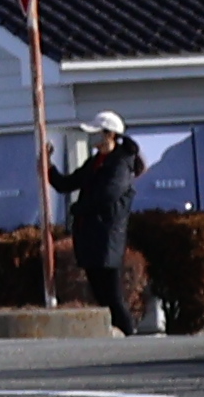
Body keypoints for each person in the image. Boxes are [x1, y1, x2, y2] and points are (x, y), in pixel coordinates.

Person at [51, 110, 150, 331]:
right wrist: (49, 168)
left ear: (110, 135)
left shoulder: (121, 164)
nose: (92, 137)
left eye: (97, 132)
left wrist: (78, 208)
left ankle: (129, 334)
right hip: (90, 238)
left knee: (113, 295)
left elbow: (106, 196)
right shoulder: (95, 162)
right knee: (100, 294)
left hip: (107, 239)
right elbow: (67, 183)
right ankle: (119, 336)